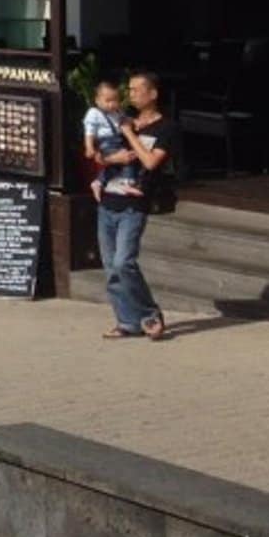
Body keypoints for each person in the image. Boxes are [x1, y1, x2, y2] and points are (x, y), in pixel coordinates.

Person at [98, 70, 181, 341]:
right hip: (108, 199)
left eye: (136, 89)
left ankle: (150, 314)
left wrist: (129, 134)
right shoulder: (120, 121)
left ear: (153, 94)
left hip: (134, 204)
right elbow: (99, 154)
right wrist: (109, 161)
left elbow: (151, 162)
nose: (130, 94)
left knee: (124, 262)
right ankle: (127, 322)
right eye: (129, 89)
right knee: (111, 268)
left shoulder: (165, 128)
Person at [82, 79, 138, 203]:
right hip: (106, 143)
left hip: (117, 141)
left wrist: (135, 122)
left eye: (115, 100)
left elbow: (126, 119)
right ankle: (127, 183)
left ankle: (98, 182)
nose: (112, 104)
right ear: (97, 100)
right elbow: (89, 131)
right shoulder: (94, 113)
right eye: (108, 101)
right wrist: (89, 147)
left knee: (114, 166)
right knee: (127, 159)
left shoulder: (117, 112)